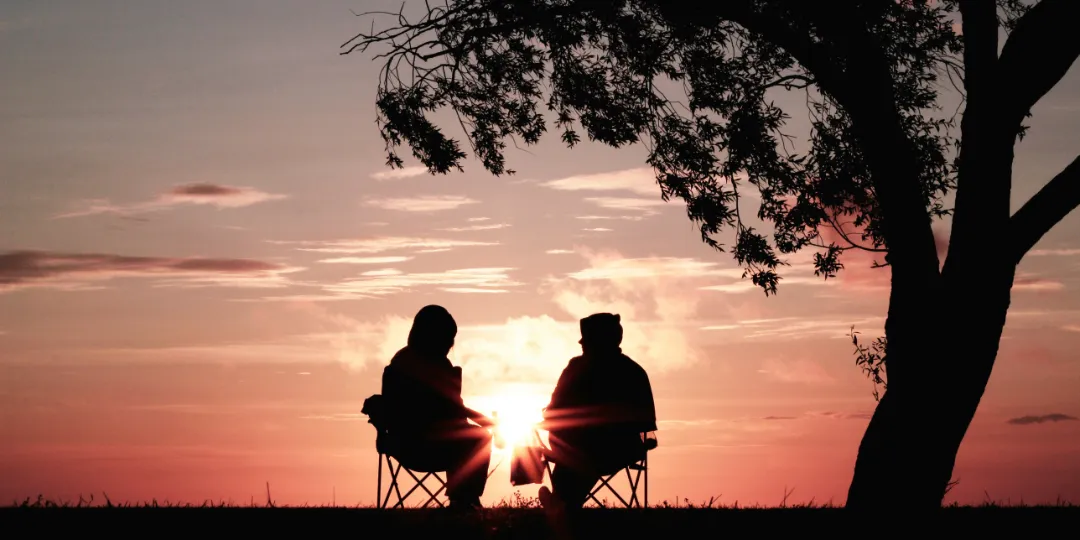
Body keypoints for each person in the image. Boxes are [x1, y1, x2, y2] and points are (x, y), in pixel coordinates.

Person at [375, 304, 494, 511]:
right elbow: (452, 409)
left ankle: (463, 499)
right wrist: (487, 422)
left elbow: (454, 409)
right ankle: (464, 500)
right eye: (448, 337)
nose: (450, 344)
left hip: (401, 443)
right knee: (480, 438)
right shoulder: (421, 365)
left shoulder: (401, 361)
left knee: (472, 437)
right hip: (423, 445)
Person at [537, 313, 658, 511]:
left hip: (582, 450)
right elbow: (647, 423)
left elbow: (553, 411)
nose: (582, 346)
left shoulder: (575, 368)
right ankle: (562, 502)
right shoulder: (634, 371)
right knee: (580, 455)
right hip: (621, 451)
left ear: (596, 342)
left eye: (586, 342)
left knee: (577, 455)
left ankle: (562, 503)